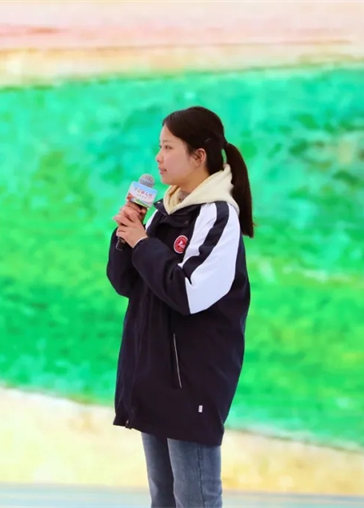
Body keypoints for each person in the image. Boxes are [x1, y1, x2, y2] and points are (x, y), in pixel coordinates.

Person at [106, 106, 254, 508]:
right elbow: (126, 284)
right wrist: (125, 236)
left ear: (198, 156)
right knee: (165, 499)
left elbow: (190, 293)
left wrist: (142, 242)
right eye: (159, 147)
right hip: (154, 375)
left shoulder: (218, 215)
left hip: (190, 384)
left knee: (195, 500)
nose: (158, 157)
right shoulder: (165, 211)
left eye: (168, 147)